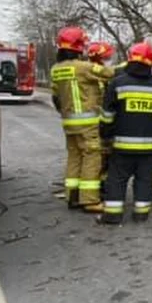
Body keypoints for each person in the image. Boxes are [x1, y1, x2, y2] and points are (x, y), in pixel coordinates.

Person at [98, 43, 152, 224]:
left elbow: (107, 116)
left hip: (122, 146)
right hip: (150, 147)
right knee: (145, 180)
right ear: (151, 62)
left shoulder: (117, 84)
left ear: (129, 59)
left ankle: (113, 215)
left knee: (116, 180)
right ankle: (141, 214)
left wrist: (105, 136)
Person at [50, 26, 106, 212]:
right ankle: (90, 200)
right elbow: (109, 73)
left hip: (68, 123)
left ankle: (72, 196)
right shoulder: (82, 67)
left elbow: (56, 97)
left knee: (74, 158)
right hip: (88, 124)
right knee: (91, 158)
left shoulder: (55, 69)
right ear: (79, 46)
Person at [87, 41, 117, 192]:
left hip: (105, 123)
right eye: (107, 57)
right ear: (98, 59)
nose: (109, 60)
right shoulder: (93, 73)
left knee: (107, 159)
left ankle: (104, 186)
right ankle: (97, 188)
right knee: (98, 159)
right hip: (97, 124)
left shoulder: (102, 75)